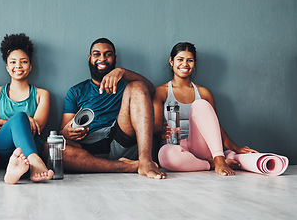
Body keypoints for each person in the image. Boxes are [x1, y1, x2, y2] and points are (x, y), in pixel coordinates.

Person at [59, 38, 166, 179]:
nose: (102, 58)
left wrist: (123, 72)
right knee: (51, 148)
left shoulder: (126, 84)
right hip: (89, 146)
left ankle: (145, 161)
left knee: (138, 86)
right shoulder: (76, 91)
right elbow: (62, 131)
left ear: (114, 58)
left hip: (120, 138)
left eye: (107, 54)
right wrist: (67, 132)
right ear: (90, 58)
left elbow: (150, 90)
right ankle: (129, 166)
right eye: (97, 54)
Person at [153, 42, 258, 176]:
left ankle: (219, 159)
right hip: (175, 147)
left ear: (194, 63)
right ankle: (214, 163)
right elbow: (155, 128)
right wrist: (163, 132)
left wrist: (236, 147)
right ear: (171, 61)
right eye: (180, 59)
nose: (185, 64)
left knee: (200, 104)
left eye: (189, 60)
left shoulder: (203, 93)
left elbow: (214, 126)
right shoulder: (161, 92)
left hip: (200, 145)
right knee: (165, 156)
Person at [0, 33, 54, 184]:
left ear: (30, 66)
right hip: (1, 146)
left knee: (26, 125)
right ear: (7, 67)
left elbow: (37, 127)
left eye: (24, 62)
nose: (18, 66)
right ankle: (34, 162)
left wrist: (1, 121)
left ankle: (15, 170)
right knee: (21, 117)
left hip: (29, 145)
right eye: (13, 62)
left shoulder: (42, 94)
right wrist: (6, 121)